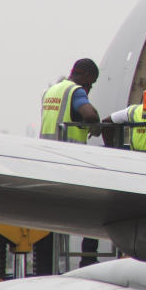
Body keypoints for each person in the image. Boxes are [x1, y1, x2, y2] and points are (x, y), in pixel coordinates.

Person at [37, 58, 101, 271]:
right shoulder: (76, 91)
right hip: (70, 163)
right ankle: (89, 259)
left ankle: (45, 268)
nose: (89, 88)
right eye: (91, 83)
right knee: (95, 208)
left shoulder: (52, 91)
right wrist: (97, 125)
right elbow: (89, 115)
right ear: (86, 76)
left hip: (46, 160)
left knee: (48, 222)